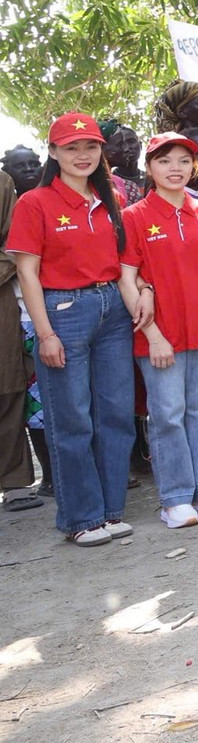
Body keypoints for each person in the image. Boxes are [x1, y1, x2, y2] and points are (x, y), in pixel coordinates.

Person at [5, 113, 141, 545]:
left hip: (113, 310)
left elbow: (123, 263)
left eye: (91, 146)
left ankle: (110, 511)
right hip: (63, 310)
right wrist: (45, 334)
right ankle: (82, 517)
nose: (82, 155)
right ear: (53, 152)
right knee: (72, 420)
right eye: (71, 147)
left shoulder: (109, 199)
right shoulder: (35, 202)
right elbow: (27, 273)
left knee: (117, 415)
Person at [119, 134, 198, 529]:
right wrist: (152, 334)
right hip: (160, 336)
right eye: (165, 160)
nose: (175, 168)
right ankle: (173, 498)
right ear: (149, 168)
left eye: (184, 161)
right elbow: (126, 279)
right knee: (167, 415)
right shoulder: (134, 217)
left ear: (194, 167)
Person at [0, 172, 33, 512]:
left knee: (6, 390)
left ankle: (13, 482)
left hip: (1, 304)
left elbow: (13, 245)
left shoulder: (1, 184)